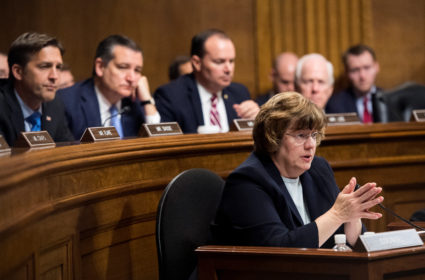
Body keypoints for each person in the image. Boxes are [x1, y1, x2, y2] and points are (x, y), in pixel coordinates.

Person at [213, 92, 384, 248]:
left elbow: (340, 240)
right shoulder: (247, 182)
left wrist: (351, 218)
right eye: (301, 135)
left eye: (314, 135)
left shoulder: (318, 169)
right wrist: (338, 214)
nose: (310, 145)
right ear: (273, 137)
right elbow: (278, 250)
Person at [154, 29, 260, 134]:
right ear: (197, 63)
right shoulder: (171, 96)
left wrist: (258, 119)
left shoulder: (239, 93)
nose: (228, 69)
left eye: (231, 61)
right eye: (219, 62)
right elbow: (165, 143)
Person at [58, 34, 160, 140]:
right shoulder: (67, 102)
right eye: (123, 67)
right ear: (100, 66)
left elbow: (160, 144)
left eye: (137, 70)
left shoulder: (138, 102)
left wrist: (147, 102)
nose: (132, 78)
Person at [0, 32, 74, 146]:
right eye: (44, 66)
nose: (55, 76)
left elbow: (67, 152)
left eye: (58, 67)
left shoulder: (54, 105)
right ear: (18, 72)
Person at [326, 45, 380, 123]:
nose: (362, 76)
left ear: (376, 67)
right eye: (355, 70)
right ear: (346, 72)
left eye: (367, 68)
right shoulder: (335, 104)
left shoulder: (390, 101)